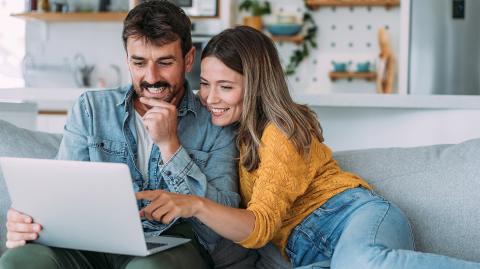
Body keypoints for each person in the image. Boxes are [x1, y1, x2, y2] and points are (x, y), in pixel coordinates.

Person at [133, 26, 480, 269]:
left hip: (353, 217)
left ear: (255, 86)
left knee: (361, 264)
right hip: (310, 253)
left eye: (225, 86)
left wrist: (194, 205)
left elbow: (259, 228)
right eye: (205, 84)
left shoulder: (281, 132)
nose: (209, 98)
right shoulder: (230, 134)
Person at [0, 2, 255, 269]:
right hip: (94, 241)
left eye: (165, 62)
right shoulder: (92, 109)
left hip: (174, 242)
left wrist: (171, 147)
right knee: (19, 260)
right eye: (139, 62)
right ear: (127, 60)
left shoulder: (214, 118)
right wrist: (28, 221)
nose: (151, 77)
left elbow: (222, 219)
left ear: (188, 59)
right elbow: (60, 196)